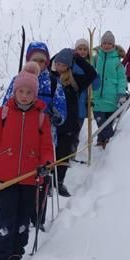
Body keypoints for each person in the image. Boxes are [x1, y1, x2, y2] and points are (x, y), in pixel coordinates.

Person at [0, 67, 54, 260]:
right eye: (21, 91)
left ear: (35, 94)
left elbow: (47, 147)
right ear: (15, 91)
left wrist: (46, 163)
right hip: (6, 179)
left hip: (30, 179)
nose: (25, 96)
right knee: (5, 219)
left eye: (30, 92)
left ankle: (15, 256)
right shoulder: (2, 114)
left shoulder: (41, 117)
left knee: (22, 220)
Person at [50, 47, 96, 196]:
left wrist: (77, 58)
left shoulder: (75, 80)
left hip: (69, 125)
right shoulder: (50, 78)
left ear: (69, 65)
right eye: (57, 64)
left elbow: (92, 74)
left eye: (63, 64)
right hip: (53, 125)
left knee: (63, 155)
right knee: (51, 155)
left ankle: (59, 182)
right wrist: (57, 55)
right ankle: (48, 182)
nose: (59, 67)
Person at [1, 41, 67, 129]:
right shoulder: (18, 80)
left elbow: (61, 108)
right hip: (19, 131)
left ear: (46, 62)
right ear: (28, 61)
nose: (38, 64)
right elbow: (6, 106)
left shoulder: (53, 82)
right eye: (34, 60)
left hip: (45, 133)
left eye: (41, 61)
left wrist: (55, 117)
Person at [91, 31, 128, 149]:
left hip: (111, 98)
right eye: (104, 43)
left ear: (113, 45)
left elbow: (122, 78)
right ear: (101, 44)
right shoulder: (96, 58)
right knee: (101, 122)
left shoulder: (117, 61)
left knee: (108, 122)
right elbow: (90, 72)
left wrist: (121, 93)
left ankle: (102, 142)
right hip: (98, 98)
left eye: (109, 43)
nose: (106, 46)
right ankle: (109, 139)